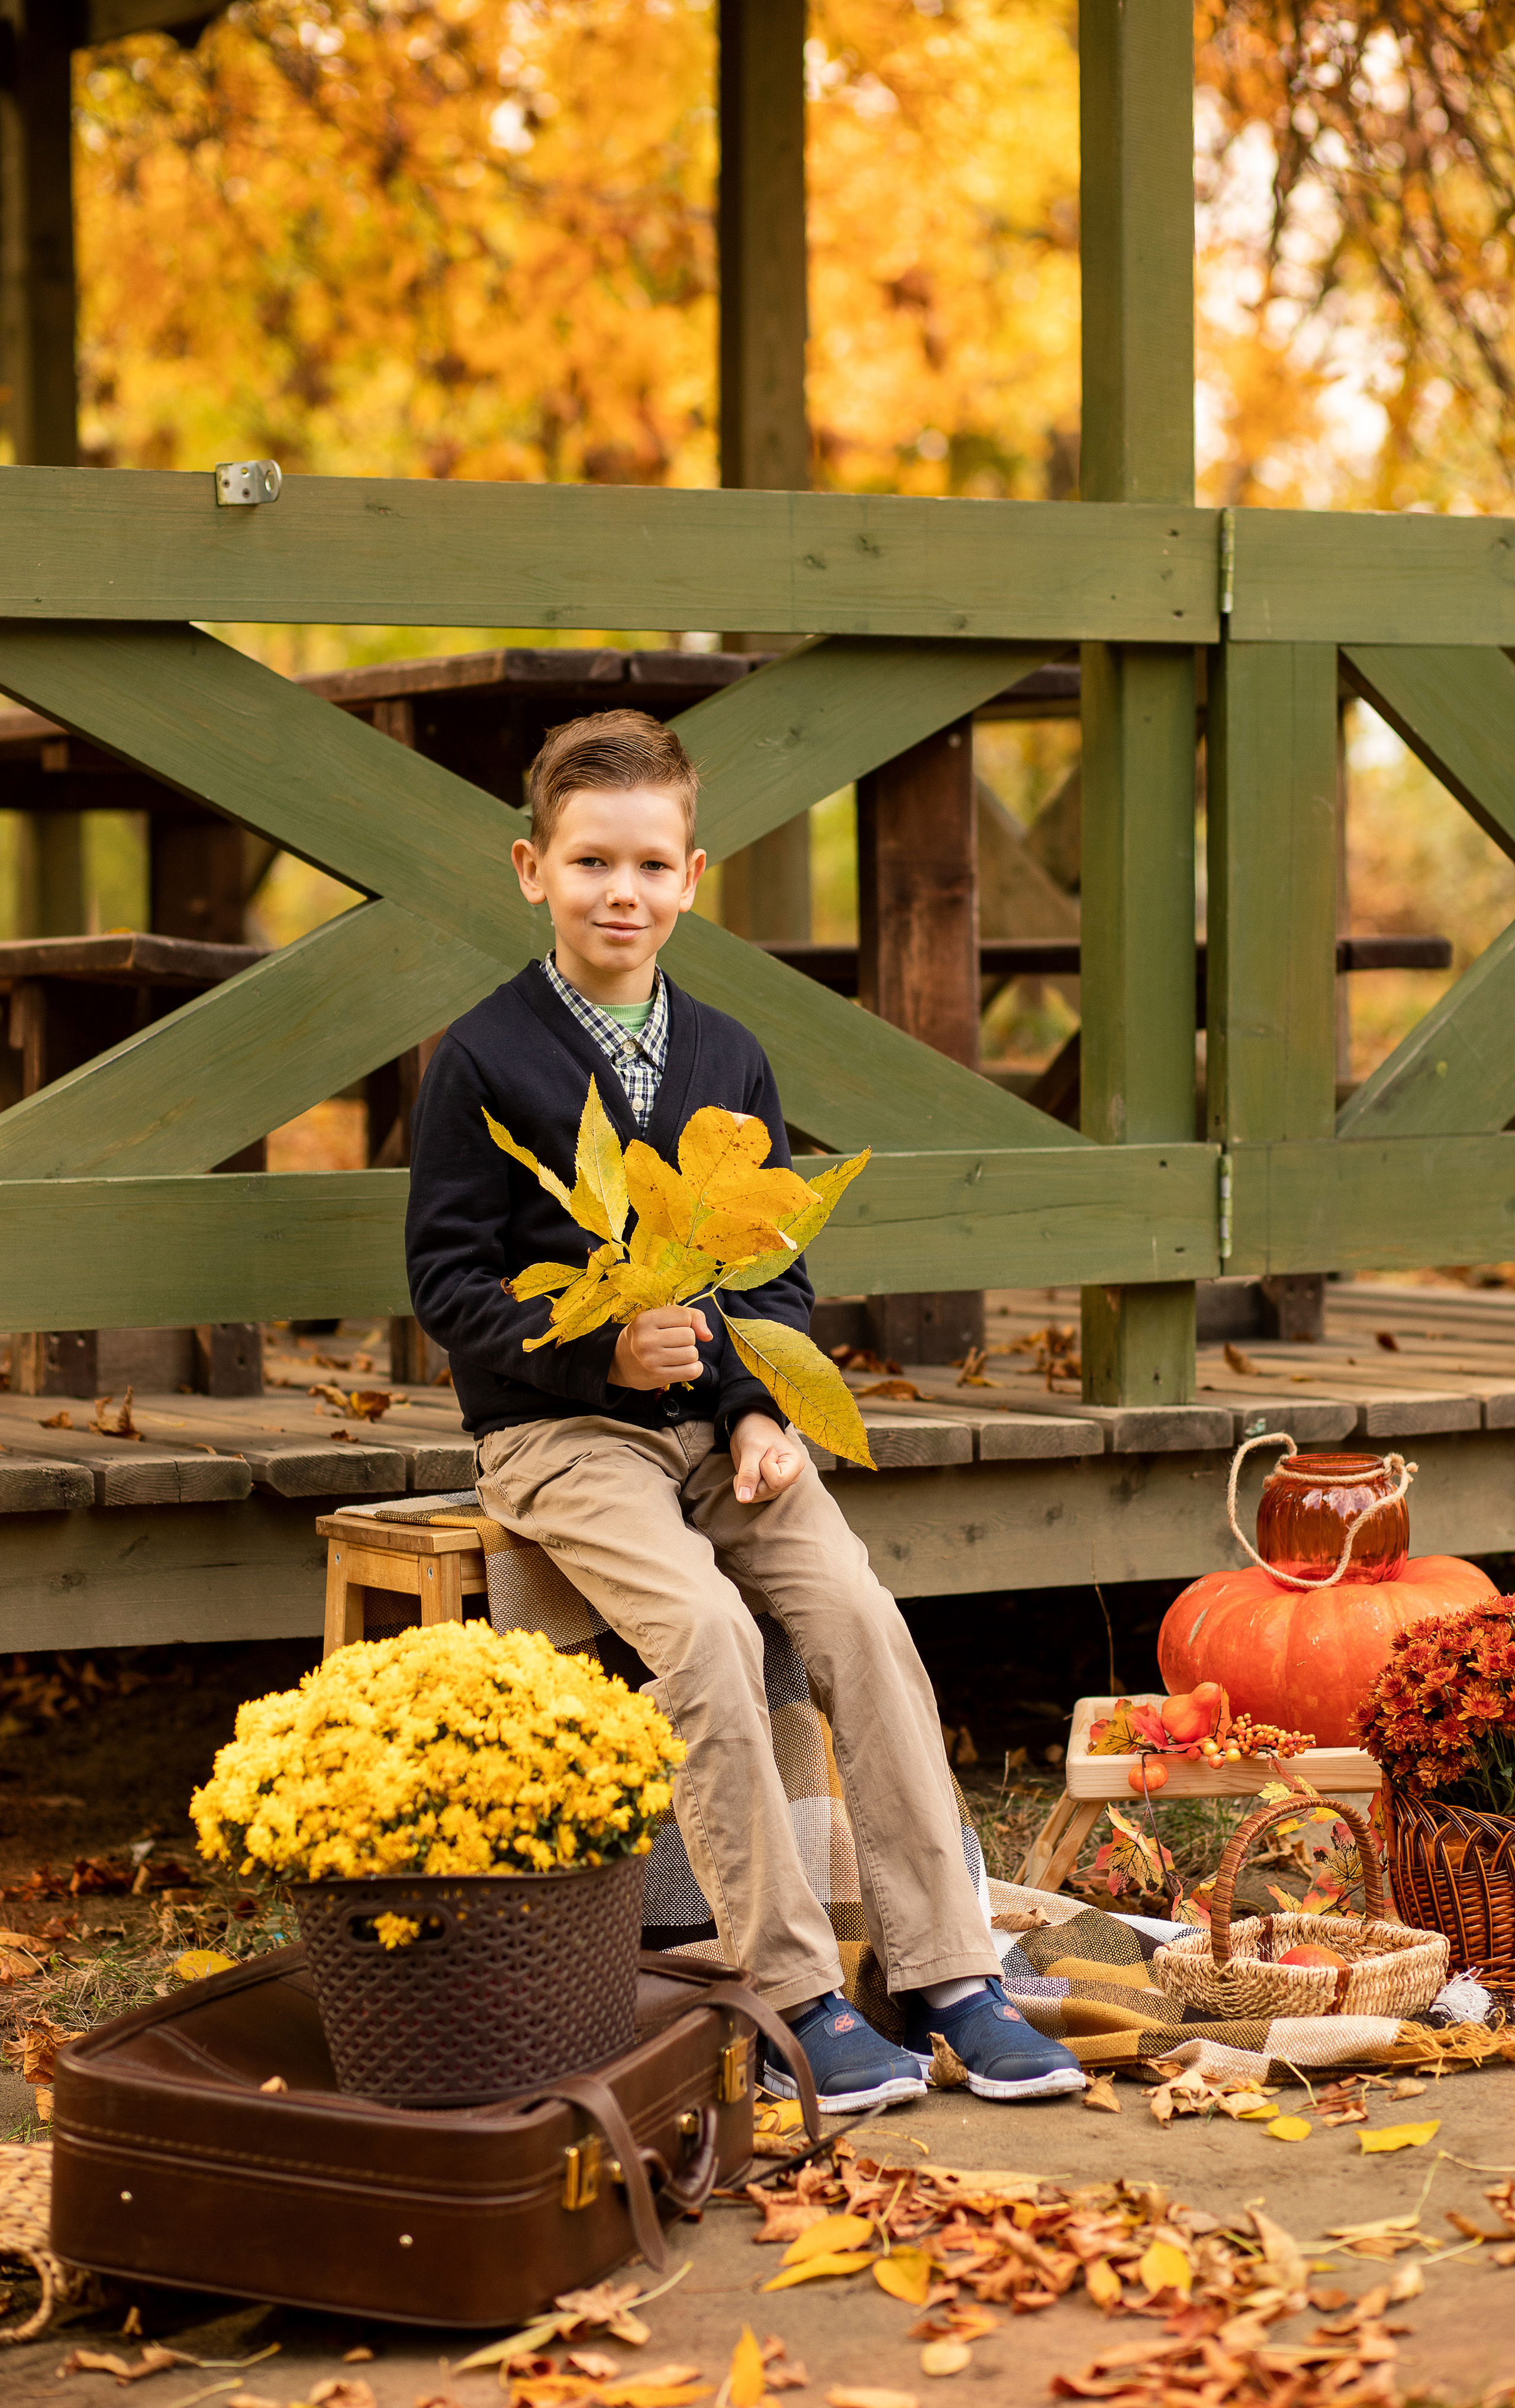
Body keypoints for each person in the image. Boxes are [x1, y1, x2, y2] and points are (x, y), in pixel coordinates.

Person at [405, 708, 1084, 2112]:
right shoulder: (482, 1059)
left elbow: (773, 1270)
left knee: (854, 1614)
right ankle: (796, 1996)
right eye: (591, 861)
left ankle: (950, 1970)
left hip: (723, 1435)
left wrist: (761, 1405)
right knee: (708, 1634)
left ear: (693, 877)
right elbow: (450, 1284)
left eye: (651, 865)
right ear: (530, 868)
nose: (622, 893)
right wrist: (601, 1362)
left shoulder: (726, 1056)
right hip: (559, 1431)